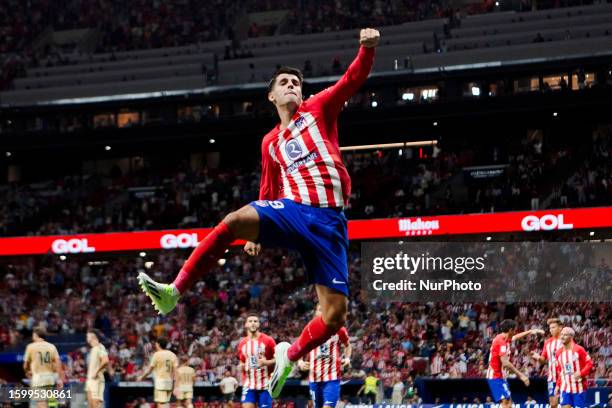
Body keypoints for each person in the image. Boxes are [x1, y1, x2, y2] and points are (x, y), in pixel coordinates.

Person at [137, 27, 380, 398]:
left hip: (330, 222)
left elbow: (352, 79)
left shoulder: (319, 108)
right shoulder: (270, 142)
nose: (292, 86)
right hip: (295, 210)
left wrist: (366, 49)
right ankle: (173, 291)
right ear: (272, 95)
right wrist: (257, 235)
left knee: (334, 317)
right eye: (284, 82)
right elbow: (269, 190)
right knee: (234, 220)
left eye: (296, 82)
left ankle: (289, 355)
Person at [297, 304, 352, 408]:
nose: (323, 312)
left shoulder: (339, 329)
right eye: (320, 310)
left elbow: (347, 345)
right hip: (314, 378)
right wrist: (300, 361)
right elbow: (300, 347)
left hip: (332, 377)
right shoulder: (309, 330)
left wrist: (347, 358)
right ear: (315, 313)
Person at [486, 320, 543, 408]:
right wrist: (521, 376)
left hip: (501, 376)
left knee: (509, 403)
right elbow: (505, 363)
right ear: (510, 330)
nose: (515, 331)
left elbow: (516, 337)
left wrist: (530, 331)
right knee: (506, 403)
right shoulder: (501, 342)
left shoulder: (504, 338)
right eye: (514, 329)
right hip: (495, 376)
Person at [237, 314, 276, 408]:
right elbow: (242, 361)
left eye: (255, 321)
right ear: (246, 324)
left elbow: (278, 359)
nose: (253, 323)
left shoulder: (268, 340)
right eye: (250, 321)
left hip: (265, 384)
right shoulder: (242, 343)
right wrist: (240, 366)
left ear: (259, 324)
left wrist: (266, 362)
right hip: (249, 384)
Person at [23, 327, 64, 408]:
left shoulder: (30, 346)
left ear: (35, 335)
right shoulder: (51, 346)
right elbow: (58, 363)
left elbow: (25, 365)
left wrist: (27, 372)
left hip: (38, 377)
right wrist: (60, 378)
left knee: (41, 402)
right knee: (52, 401)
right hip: (50, 377)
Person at [555, 327, 593, 408]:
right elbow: (560, 371)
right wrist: (558, 385)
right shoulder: (558, 353)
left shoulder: (579, 349)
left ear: (571, 337)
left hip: (579, 388)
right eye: (561, 334)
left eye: (565, 335)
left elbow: (589, 364)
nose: (562, 336)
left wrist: (581, 373)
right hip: (565, 387)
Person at [138, 337, 179, 408]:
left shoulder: (156, 355)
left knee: (161, 404)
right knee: (165, 403)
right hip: (169, 383)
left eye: (156, 343)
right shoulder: (173, 355)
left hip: (160, 382)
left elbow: (149, 370)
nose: (155, 345)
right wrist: (176, 386)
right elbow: (176, 373)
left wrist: (141, 377)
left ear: (158, 344)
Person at [531, 318, 564, 408]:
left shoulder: (566, 340)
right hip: (552, 377)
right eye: (550, 328)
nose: (551, 330)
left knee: (566, 404)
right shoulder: (548, 342)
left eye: (553, 327)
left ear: (560, 328)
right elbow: (543, 359)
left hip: (564, 377)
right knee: (553, 404)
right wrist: (537, 356)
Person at [85, 329, 109, 408]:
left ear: (93, 336)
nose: (86, 338)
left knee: (96, 406)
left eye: (88, 336)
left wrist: (96, 371)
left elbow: (105, 360)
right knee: (90, 405)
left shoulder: (100, 346)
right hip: (90, 380)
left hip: (97, 380)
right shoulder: (92, 349)